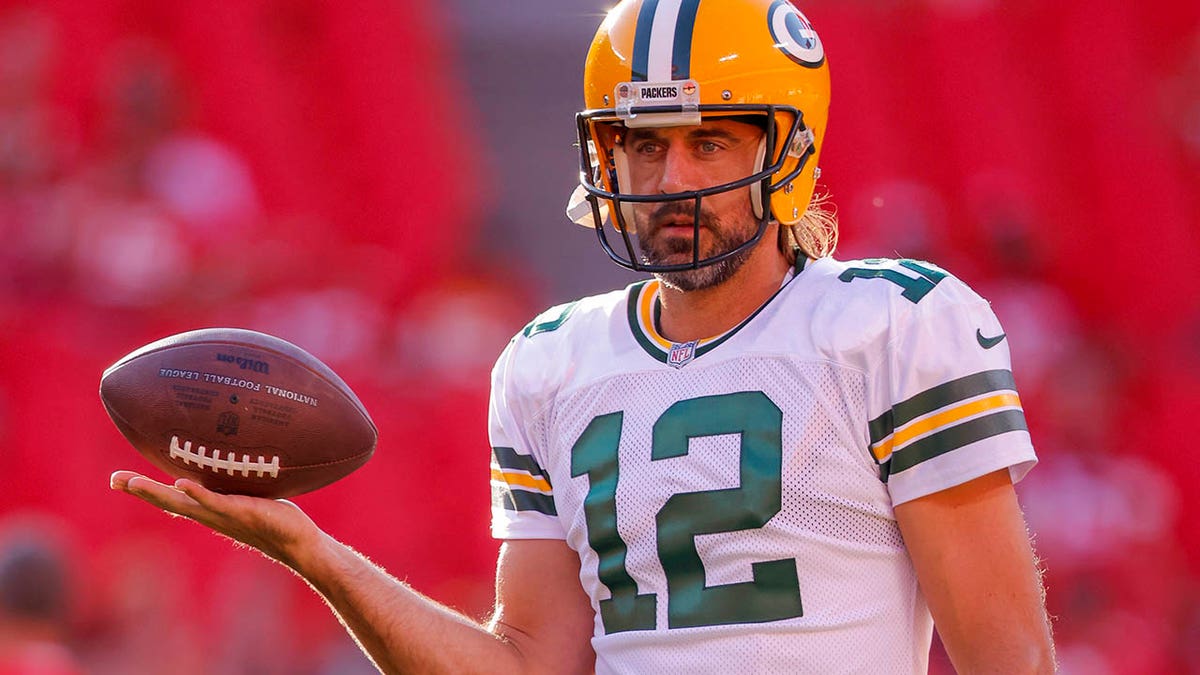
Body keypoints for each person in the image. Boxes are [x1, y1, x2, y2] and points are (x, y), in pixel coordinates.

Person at [111, 0, 1056, 672]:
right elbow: (527, 666)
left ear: (788, 152)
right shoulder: (550, 361)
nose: (669, 176)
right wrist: (316, 554)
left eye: (709, 141)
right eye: (643, 144)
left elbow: (1007, 660)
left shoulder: (891, 324)